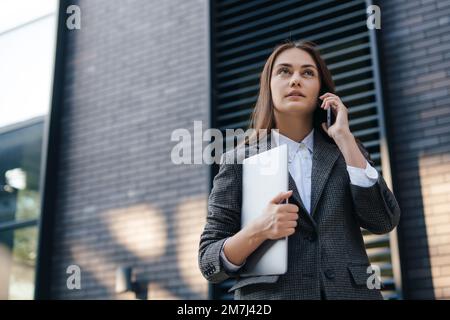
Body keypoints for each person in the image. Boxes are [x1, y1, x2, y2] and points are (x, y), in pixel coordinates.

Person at [198, 40, 401, 300]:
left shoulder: (347, 150)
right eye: (284, 71)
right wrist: (259, 229)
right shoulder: (238, 160)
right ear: (268, 86)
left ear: (321, 89)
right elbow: (208, 262)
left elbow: (383, 220)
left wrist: (346, 139)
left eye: (307, 72)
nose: (295, 80)